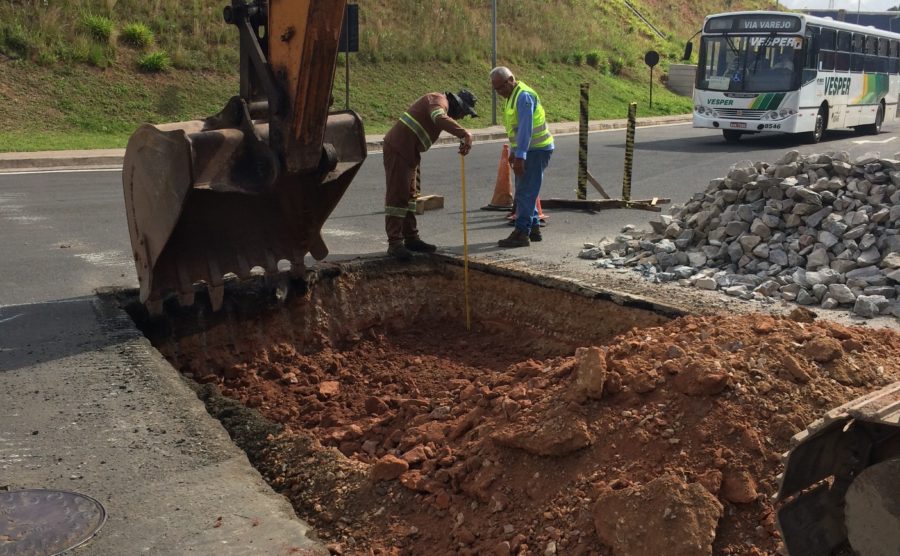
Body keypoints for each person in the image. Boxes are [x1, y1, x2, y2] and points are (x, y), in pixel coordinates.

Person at [382, 90, 477, 261]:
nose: (461, 118)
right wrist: (464, 133)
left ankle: (411, 238)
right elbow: (438, 117)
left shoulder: (440, 104)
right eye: (463, 113)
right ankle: (394, 243)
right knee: (398, 196)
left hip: (409, 152)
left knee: (410, 197)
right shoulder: (438, 100)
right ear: (456, 104)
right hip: (398, 149)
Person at [489, 66, 554, 247]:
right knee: (525, 189)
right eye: (496, 90)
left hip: (536, 149)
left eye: (501, 87)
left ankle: (521, 232)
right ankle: (532, 227)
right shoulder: (513, 96)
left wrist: (520, 156)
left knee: (525, 191)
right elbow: (516, 130)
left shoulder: (523, 96)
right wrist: (514, 151)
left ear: (511, 80)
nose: (499, 92)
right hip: (529, 149)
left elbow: (526, 129)